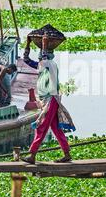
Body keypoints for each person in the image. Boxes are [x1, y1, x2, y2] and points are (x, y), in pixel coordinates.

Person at [21, 35, 75, 164]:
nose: (40, 58)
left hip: (51, 100)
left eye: (42, 56)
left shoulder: (51, 65)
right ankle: (67, 154)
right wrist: (28, 44)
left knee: (41, 126)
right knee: (56, 128)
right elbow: (26, 60)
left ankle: (32, 154)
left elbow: (45, 60)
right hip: (46, 101)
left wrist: (44, 45)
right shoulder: (41, 65)